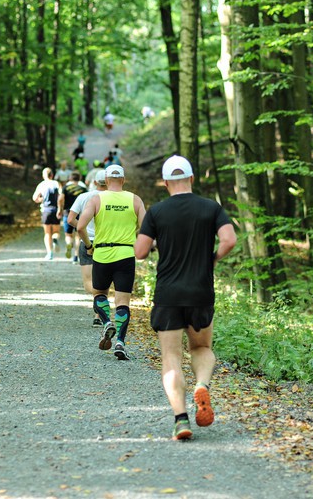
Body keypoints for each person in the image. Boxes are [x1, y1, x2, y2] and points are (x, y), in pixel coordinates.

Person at [134, 155, 237, 441]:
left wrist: (154, 240)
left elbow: (140, 252)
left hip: (168, 294)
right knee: (202, 348)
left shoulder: (156, 212)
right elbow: (229, 239)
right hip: (200, 291)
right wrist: (212, 259)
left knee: (171, 357)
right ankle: (201, 385)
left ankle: (180, 419)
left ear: (166, 183)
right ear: (191, 179)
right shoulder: (211, 208)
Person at [76, 164, 146, 360]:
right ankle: (121, 343)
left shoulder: (97, 199)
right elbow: (147, 229)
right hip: (126, 254)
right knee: (123, 302)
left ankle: (106, 321)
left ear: (106, 181)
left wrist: (89, 245)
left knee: (99, 293)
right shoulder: (135, 200)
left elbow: (81, 226)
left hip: (102, 254)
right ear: (123, 180)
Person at [68, 170, 108, 327]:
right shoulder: (115, 199)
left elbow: (71, 219)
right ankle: (99, 313)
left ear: (95, 182)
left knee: (88, 282)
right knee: (103, 282)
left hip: (87, 242)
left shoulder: (84, 197)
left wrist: (83, 228)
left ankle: (99, 306)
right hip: (107, 242)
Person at [32, 167, 62, 260]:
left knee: (47, 233)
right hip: (55, 210)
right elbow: (61, 197)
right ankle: (55, 239)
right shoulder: (57, 184)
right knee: (56, 232)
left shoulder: (41, 185)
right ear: (52, 175)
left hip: (45, 210)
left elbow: (34, 198)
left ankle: (49, 253)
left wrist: (41, 199)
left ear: (43, 176)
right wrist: (60, 208)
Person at [57, 171, 87, 262]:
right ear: (80, 179)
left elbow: (61, 199)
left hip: (68, 213)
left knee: (68, 234)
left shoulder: (65, 187)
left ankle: (69, 244)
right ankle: (76, 257)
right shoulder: (83, 189)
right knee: (78, 236)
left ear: (70, 178)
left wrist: (60, 209)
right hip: (80, 215)